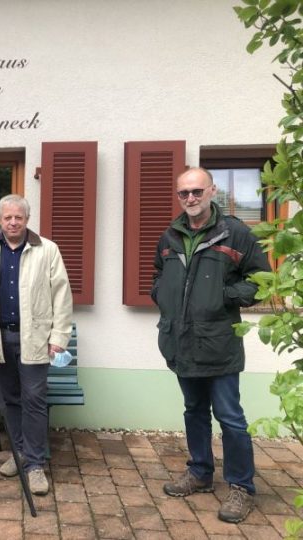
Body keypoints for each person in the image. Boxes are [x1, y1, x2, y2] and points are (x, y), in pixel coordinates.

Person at [151, 167, 270, 523]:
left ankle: (241, 486)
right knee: (194, 411)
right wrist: (162, 296)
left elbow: (261, 280)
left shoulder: (235, 233)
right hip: (181, 341)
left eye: (196, 191)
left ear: (212, 191)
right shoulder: (170, 236)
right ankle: (200, 471)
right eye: (184, 193)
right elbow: (159, 276)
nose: (190, 198)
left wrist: (222, 295)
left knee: (230, 417)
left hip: (219, 343)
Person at [0, 194, 73, 496]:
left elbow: (61, 295)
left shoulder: (47, 250)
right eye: (7, 217)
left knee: (34, 400)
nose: (13, 222)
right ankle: (20, 452)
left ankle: (35, 464)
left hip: (33, 338)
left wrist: (59, 337)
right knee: (10, 400)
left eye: (18, 217)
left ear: (27, 218)